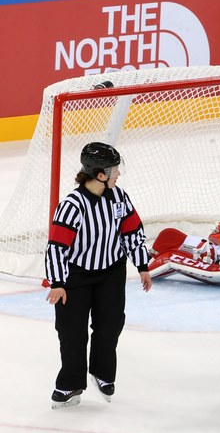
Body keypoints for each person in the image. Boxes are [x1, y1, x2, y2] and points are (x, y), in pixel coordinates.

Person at [45, 142, 152, 409]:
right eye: (114, 170)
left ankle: (102, 373)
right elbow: (57, 246)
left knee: (110, 325)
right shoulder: (72, 205)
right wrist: (58, 283)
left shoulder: (119, 197)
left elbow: (132, 232)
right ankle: (70, 384)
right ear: (100, 174)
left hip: (111, 272)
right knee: (72, 332)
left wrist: (142, 266)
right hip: (75, 278)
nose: (118, 174)